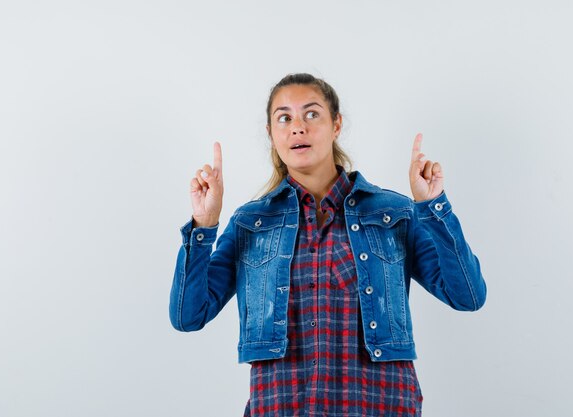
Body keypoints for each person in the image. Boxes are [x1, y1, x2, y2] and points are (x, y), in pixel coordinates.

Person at [169, 73, 487, 417]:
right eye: (284, 118)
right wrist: (204, 225)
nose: (297, 127)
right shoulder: (250, 223)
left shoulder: (394, 214)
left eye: (312, 114)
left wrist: (433, 206)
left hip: (379, 406)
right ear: (271, 134)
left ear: (336, 125)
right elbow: (188, 315)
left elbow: (467, 296)